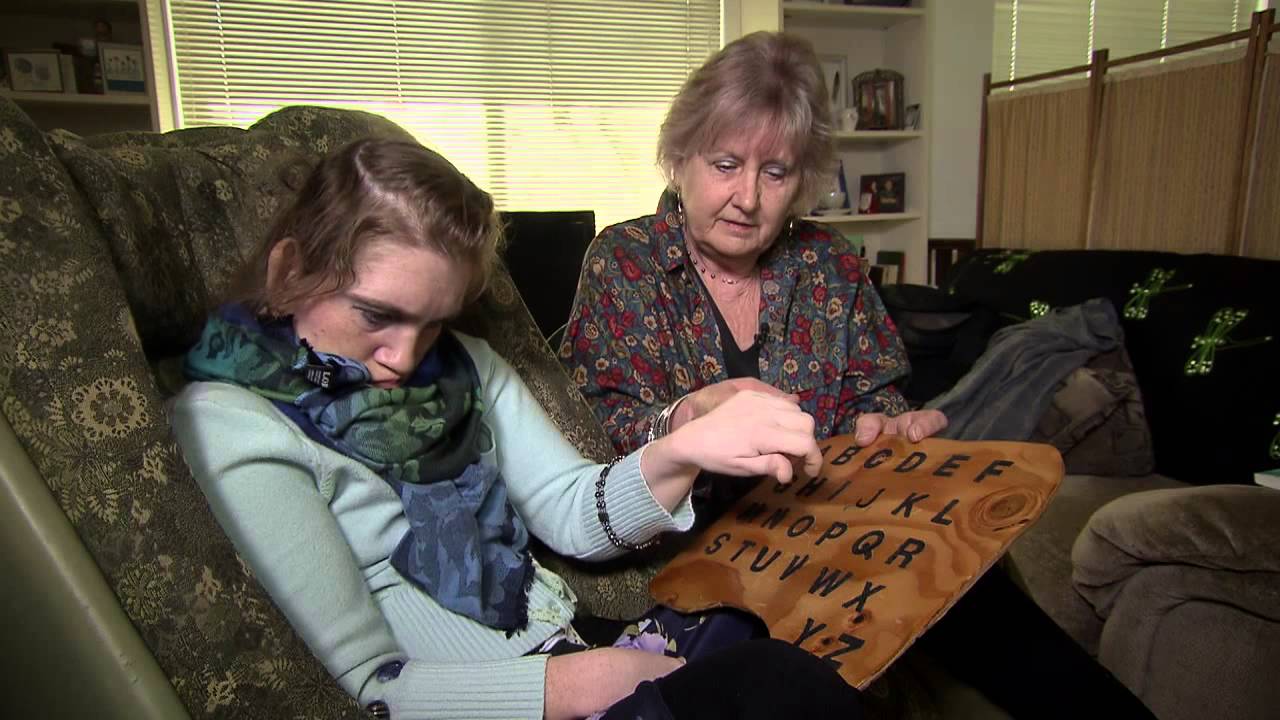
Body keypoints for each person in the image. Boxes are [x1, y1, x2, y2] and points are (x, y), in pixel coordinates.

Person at [560, 31, 1156, 720]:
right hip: (697, 556)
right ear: (680, 159)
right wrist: (685, 419)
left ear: (802, 182)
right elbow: (601, 430)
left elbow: (871, 398)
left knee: (976, 590)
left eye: (775, 173)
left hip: (828, 527)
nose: (747, 197)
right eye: (725, 163)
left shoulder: (828, 262)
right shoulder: (625, 261)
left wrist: (889, 426)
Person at [170, 138, 864, 720]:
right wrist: (597, 678)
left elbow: (569, 511)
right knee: (774, 682)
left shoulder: (463, 363)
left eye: (434, 321)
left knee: (778, 633)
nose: (406, 358)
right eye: (376, 315)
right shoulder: (233, 425)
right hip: (502, 697)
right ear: (291, 269)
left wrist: (681, 449)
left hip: (558, 646)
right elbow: (363, 688)